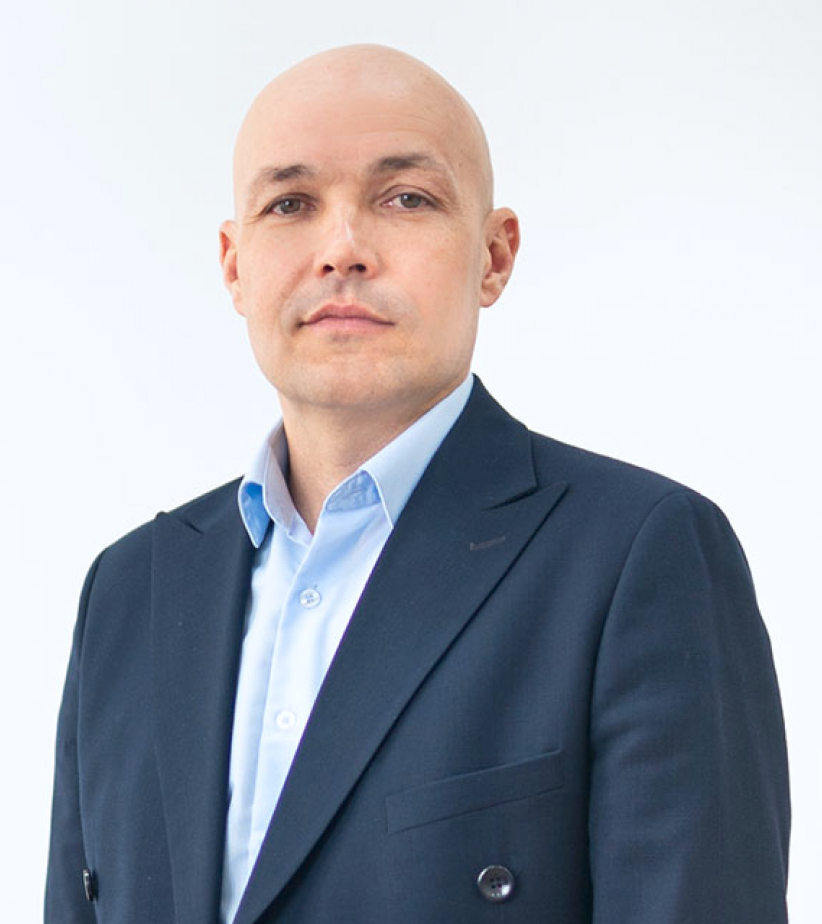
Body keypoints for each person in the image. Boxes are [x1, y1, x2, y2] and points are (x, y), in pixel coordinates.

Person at [45, 44, 790, 924]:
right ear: (235, 265)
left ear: (494, 256)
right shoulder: (130, 589)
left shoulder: (639, 556)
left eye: (405, 198)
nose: (343, 250)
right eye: (290, 203)